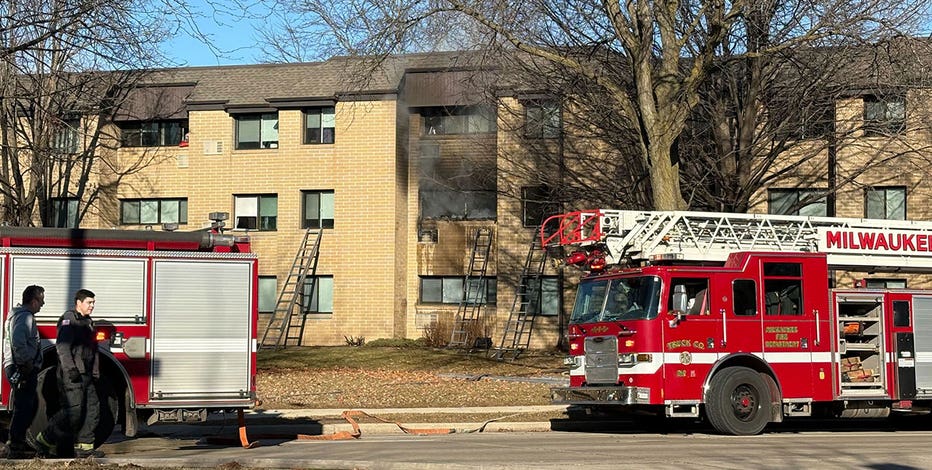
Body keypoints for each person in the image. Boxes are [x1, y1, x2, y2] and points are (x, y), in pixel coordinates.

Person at [33, 289, 102, 458]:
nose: (92, 306)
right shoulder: (69, 320)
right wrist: (71, 369)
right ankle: (44, 439)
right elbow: (63, 347)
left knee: (93, 409)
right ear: (79, 303)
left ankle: (84, 448)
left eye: (93, 303)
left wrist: (95, 371)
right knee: (73, 412)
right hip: (72, 375)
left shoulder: (87, 321)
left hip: (86, 375)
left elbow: (93, 349)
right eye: (89, 302)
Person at [1, 285, 45, 459]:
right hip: (21, 367)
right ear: (33, 301)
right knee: (24, 407)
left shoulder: (19, 315)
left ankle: (15, 442)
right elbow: (19, 342)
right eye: (41, 300)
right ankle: (16, 447)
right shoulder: (25, 317)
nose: (43, 304)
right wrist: (26, 364)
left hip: (18, 366)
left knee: (27, 405)